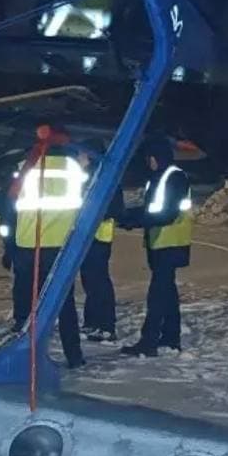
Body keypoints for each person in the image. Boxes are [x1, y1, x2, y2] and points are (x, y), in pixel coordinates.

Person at [7, 124, 86, 368]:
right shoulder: (73, 168)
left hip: (30, 243)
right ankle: (74, 355)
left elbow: (6, 201)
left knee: (27, 302)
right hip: (62, 245)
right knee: (64, 302)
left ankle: (25, 354)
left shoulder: (27, 167)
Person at [117, 136, 194, 357]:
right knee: (167, 292)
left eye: (150, 157)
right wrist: (130, 216)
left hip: (170, 243)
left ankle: (149, 341)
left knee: (158, 295)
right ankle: (170, 338)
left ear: (157, 157)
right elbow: (150, 208)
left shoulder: (174, 177)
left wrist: (136, 221)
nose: (148, 162)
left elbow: (167, 213)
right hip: (160, 242)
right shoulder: (158, 178)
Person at [76, 139, 125, 343]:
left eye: (81, 154)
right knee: (90, 279)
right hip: (88, 235)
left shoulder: (102, 177)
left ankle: (105, 325)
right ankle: (93, 322)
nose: (78, 158)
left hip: (97, 236)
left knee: (98, 281)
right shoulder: (92, 176)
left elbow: (115, 207)